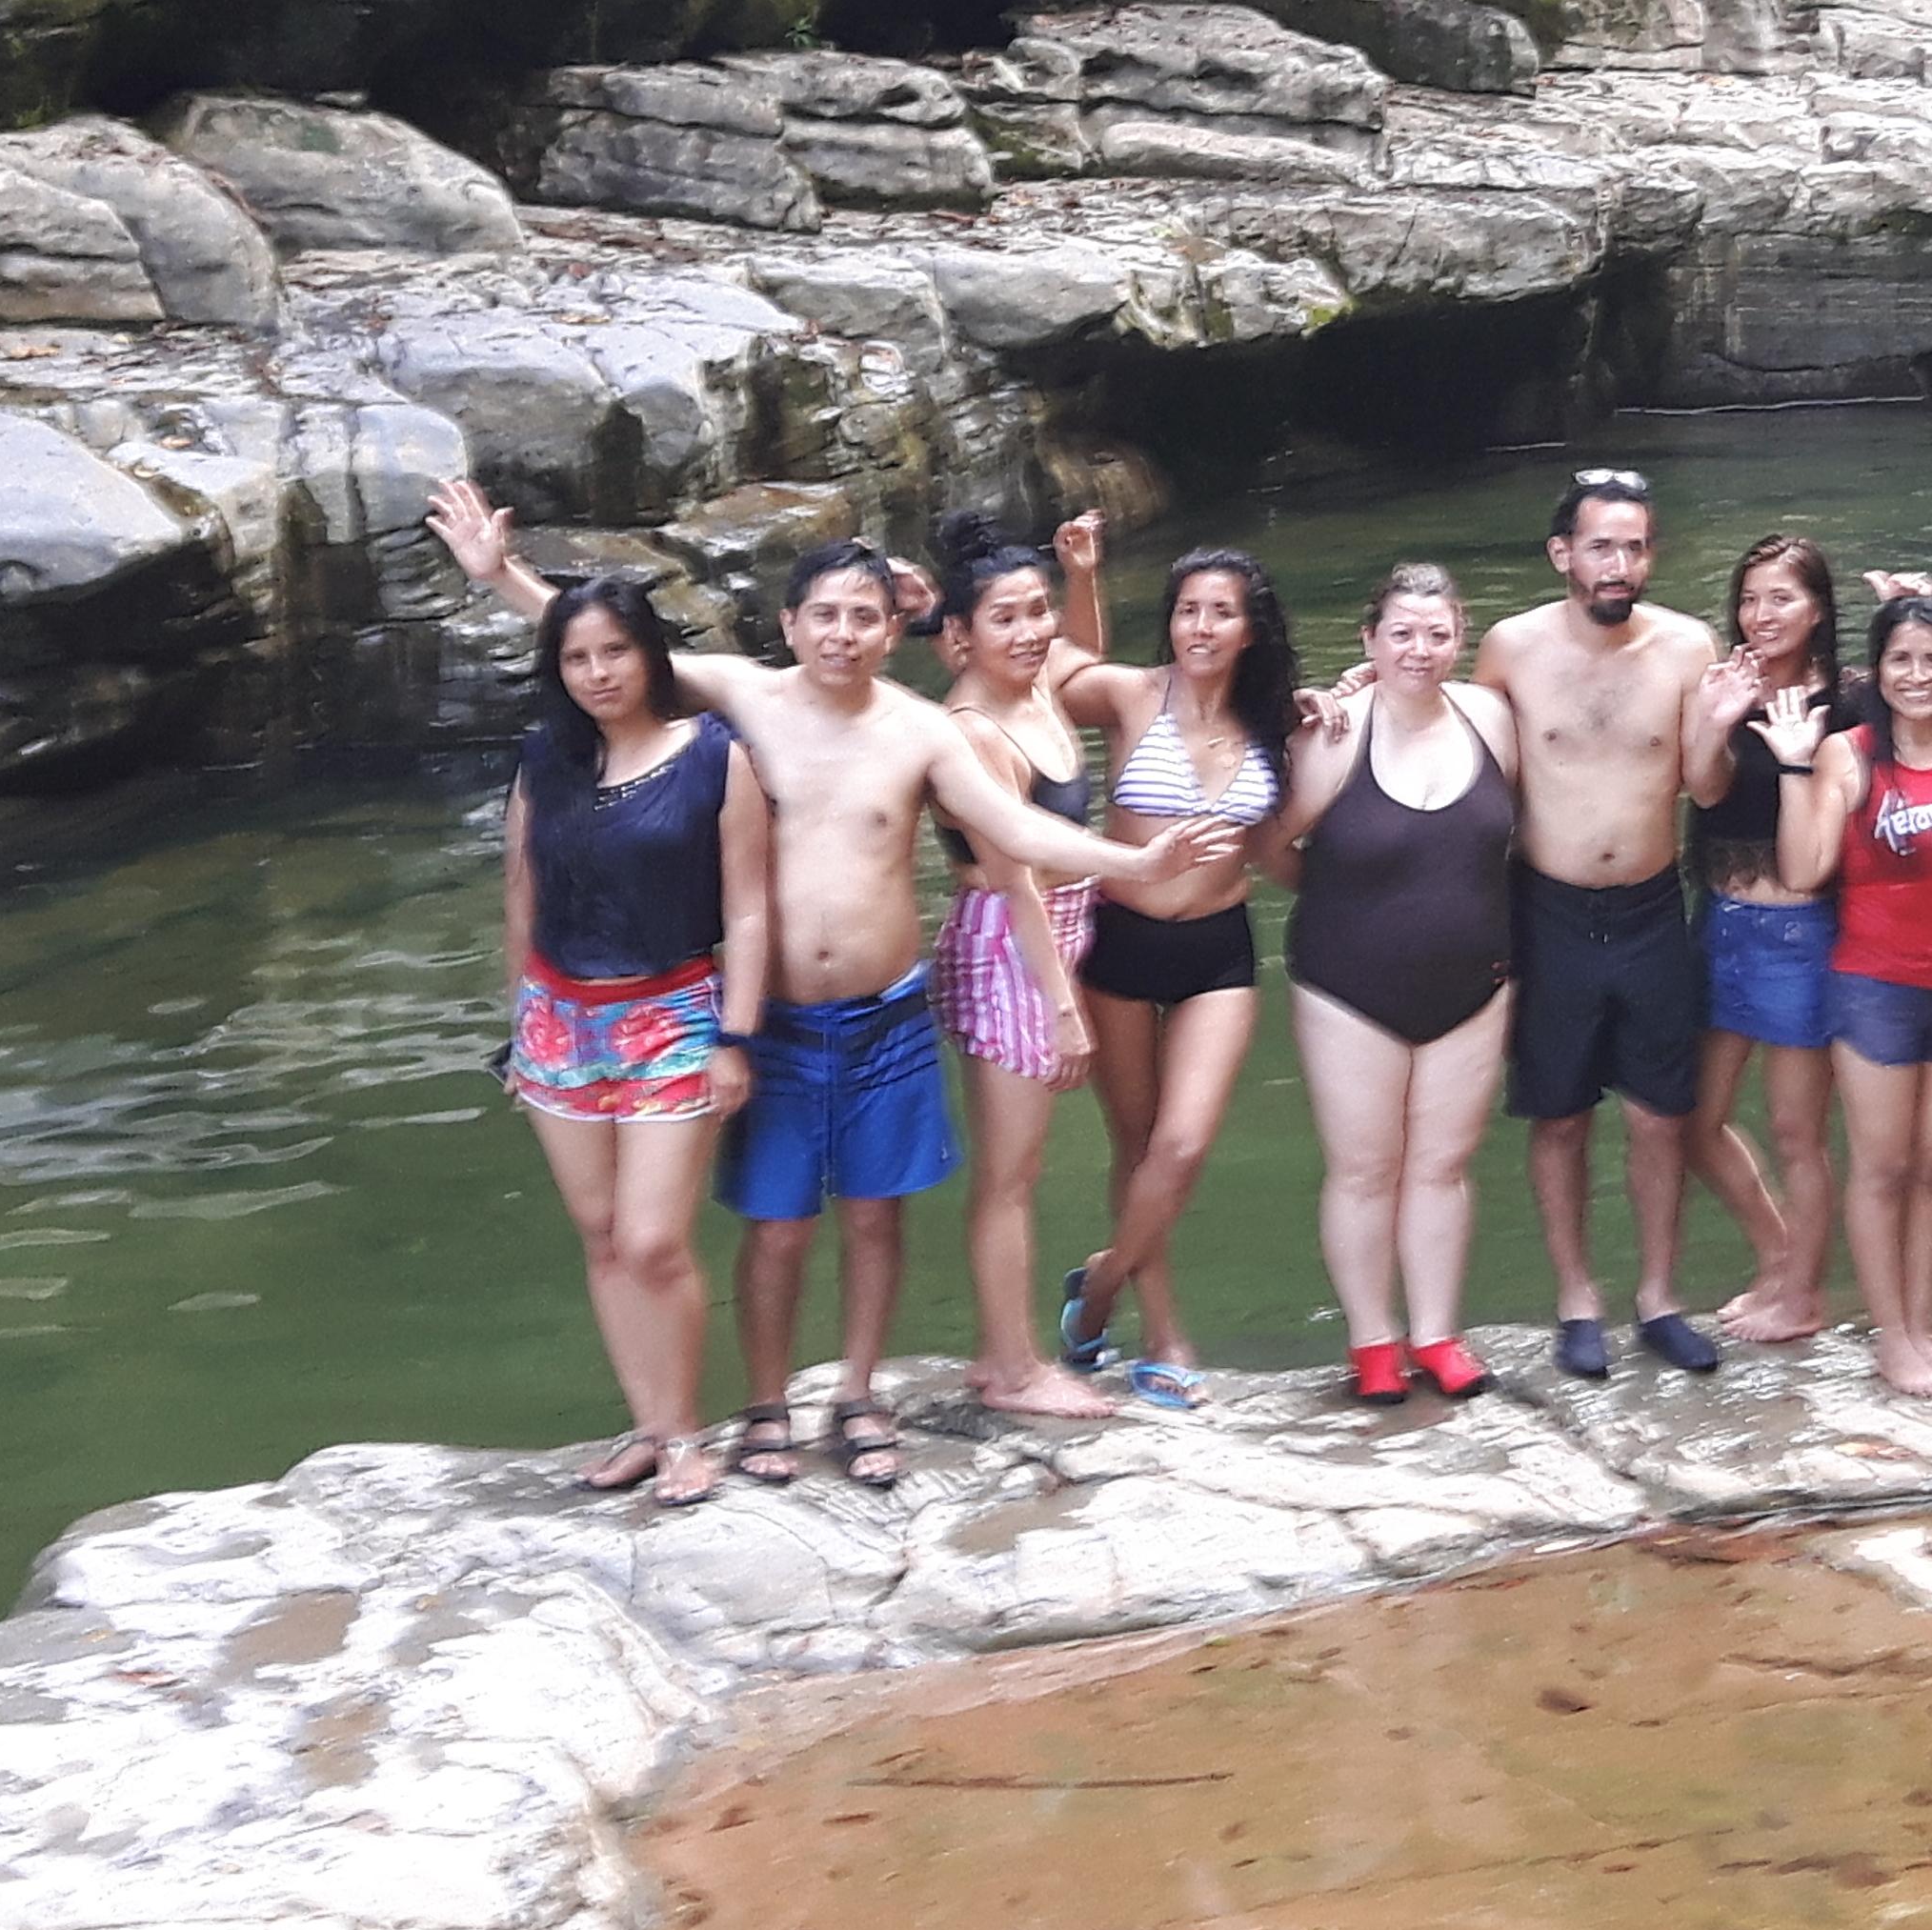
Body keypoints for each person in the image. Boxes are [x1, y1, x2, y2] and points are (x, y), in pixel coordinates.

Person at [425, 485, 1220, 1486]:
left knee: (877, 1214)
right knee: (777, 1221)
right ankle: (764, 1404)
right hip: (778, 1016)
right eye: (824, 616)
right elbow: (606, 652)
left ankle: (856, 1392)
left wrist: (1134, 864)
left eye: (863, 616)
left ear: (896, 628)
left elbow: (1013, 831)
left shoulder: (924, 730)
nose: (841, 635)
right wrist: (499, 573)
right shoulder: (747, 699)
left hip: (886, 1010)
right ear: (789, 625)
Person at [1478, 467, 1788, 1379]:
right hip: (1549, 906)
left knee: (1660, 1115)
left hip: (1653, 905)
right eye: (1603, 546)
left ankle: (1659, 1296)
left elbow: (1705, 787)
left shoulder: (1689, 647)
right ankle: (1577, 1299)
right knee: (1560, 1114)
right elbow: (1471, 770)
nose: (1620, 564)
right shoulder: (1511, 648)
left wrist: (1721, 720)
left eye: (1636, 547)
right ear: (1562, 553)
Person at [500, 576, 774, 1506]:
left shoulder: (712, 756)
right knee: (603, 1236)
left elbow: (749, 903)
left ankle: (686, 1430)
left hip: (675, 1014)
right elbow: (521, 899)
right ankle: (649, 1427)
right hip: (557, 1021)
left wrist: (736, 1035)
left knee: (655, 1239)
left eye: (613, 650)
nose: (596, 672)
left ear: (649, 652)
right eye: (576, 657)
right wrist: (517, 1036)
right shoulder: (544, 761)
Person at [1755, 593, 1932, 1399]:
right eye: (1901, 659)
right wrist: (1795, 767)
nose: (1918, 675)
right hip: (1877, 986)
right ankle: (1893, 1338)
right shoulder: (1849, 752)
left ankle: (1922, 1322)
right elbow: (1804, 870)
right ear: (1877, 670)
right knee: (1882, 1167)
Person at [1265, 561, 1522, 1404]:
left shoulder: (1490, 718)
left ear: (1461, 635)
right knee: (1365, 1167)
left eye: (1438, 633)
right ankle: (1373, 1341)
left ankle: (1438, 1333)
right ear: (1369, 641)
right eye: (1402, 634)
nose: (1420, 650)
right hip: (1349, 984)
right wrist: (1347, 898)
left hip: (1475, 982)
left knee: (1443, 1165)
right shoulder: (1333, 735)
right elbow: (1269, 846)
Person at [1052, 548, 1299, 1403]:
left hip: (1218, 949)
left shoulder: (1276, 720)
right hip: (1118, 941)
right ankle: (1164, 1335)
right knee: (1136, 1142)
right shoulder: (1132, 695)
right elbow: (1056, 670)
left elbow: (1282, 849)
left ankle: (1101, 1286)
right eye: (1188, 609)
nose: (1201, 626)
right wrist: (1084, 578)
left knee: (1182, 1146)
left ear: (1249, 627)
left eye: (1220, 611)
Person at [924, 511, 1118, 1423]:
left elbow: (1084, 654)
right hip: (1011, 940)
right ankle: (1011, 1368)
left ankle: (1004, 1348)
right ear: (958, 635)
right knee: (1008, 1172)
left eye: (1038, 612)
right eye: (1006, 618)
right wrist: (1065, 1007)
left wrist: (1081, 581)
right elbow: (1014, 876)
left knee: (1023, 1169)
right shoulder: (974, 732)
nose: (1033, 632)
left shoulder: (1035, 689)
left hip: (1057, 928)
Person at [1680, 534, 1859, 1343]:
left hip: (1802, 930)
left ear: (1817, 607)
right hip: (1720, 918)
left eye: (1780, 598)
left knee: (1797, 1132)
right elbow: (1705, 789)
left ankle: (1800, 1293)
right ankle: (1782, 1257)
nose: (1761, 615)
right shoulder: (1724, 686)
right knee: (1694, 1119)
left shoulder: (1848, 702)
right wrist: (1715, 720)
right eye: (1749, 600)